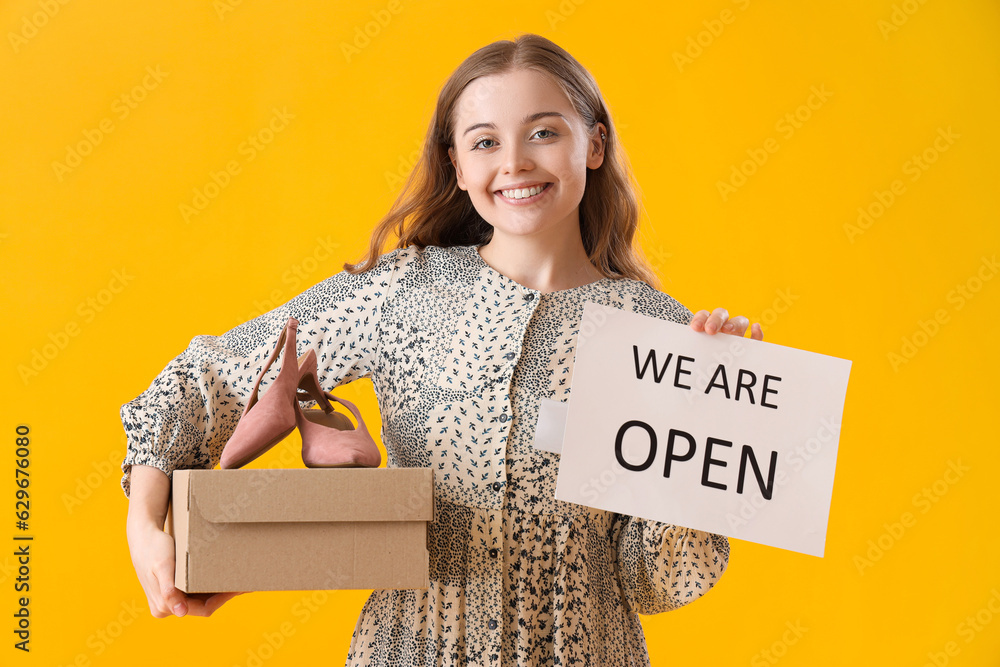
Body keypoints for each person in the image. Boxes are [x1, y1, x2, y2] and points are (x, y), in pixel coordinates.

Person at [122, 33, 763, 666]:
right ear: (458, 165)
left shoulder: (658, 333)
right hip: (412, 649)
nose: (513, 163)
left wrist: (709, 431)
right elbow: (211, 376)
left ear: (593, 144)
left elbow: (655, 582)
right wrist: (144, 524)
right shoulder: (404, 290)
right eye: (485, 141)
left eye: (544, 132)